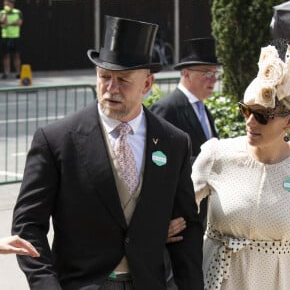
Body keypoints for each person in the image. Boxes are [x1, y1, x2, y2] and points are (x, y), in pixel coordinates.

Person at [12, 15, 204, 290]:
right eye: (105, 77)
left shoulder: (174, 142)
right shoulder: (56, 140)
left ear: (147, 85)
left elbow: (186, 227)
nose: (111, 89)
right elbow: (28, 226)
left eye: (123, 80)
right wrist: (46, 285)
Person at [189, 39, 290, 289]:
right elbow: (177, 211)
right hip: (217, 279)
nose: (250, 122)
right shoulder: (217, 154)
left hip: (276, 282)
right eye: (246, 111)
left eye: (261, 115)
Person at [150, 37, 221, 227]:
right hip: (179, 215)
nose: (213, 79)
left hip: (202, 211)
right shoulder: (167, 108)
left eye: (216, 73)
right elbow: (158, 161)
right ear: (186, 73)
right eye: (207, 73)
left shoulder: (204, 110)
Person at [0, 0, 23, 79]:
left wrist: (9, 23)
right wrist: (5, 14)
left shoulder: (17, 12)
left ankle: (17, 73)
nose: (6, 6)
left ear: (12, 5)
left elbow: (19, 23)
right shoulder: (2, 12)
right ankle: (6, 72)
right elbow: (1, 22)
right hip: (5, 36)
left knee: (16, 55)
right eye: (5, 4)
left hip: (15, 36)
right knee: (6, 55)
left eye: (8, 4)